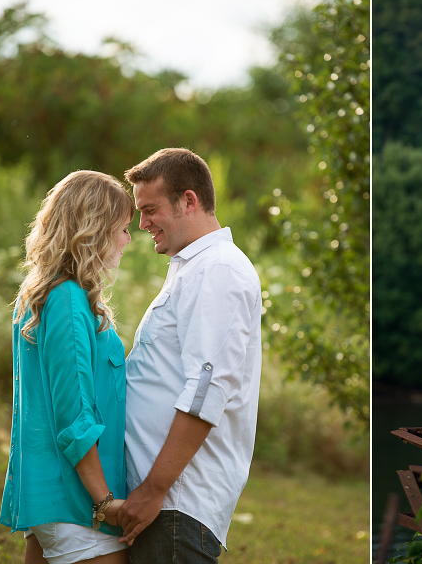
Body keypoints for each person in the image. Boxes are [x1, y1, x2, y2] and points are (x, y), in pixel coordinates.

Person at [117, 148, 262, 562]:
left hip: (177, 503)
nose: (141, 223)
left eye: (150, 209)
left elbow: (207, 387)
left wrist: (154, 489)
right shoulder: (192, 267)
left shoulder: (218, 270)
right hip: (162, 504)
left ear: (189, 201)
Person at [0, 171, 134, 564]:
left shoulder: (43, 295)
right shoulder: (69, 300)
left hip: (52, 502)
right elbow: (74, 416)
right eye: (123, 229)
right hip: (79, 507)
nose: (128, 239)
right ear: (95, 229)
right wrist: (104, 501)